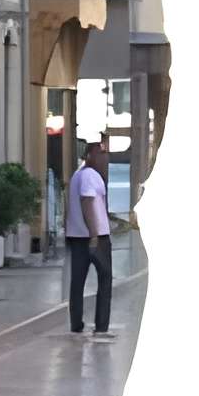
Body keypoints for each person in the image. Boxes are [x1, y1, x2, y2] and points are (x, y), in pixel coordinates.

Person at [68, 138, 115, 335]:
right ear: (91, 154)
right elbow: (87, 202)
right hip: (95, 237)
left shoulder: (77, 175)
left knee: (77, 282)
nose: (105, 158)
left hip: (77, 236)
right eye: (101, 153)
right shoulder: (90, 176)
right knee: (105, 278)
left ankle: (76, 324)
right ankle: (101, 325)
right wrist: (94, 235)